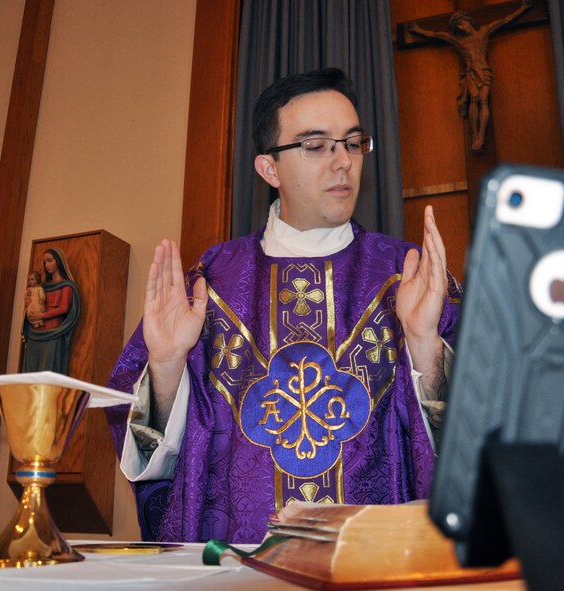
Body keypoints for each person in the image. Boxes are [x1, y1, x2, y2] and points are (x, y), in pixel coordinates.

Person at [106, 68, 462, 544]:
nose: (343, 162)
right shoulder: (209, 283)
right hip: (238, 565)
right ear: (269, 169)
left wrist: (424, 348)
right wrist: (167, 369)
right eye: (316, 146)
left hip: (375, 564)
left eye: (353, 143)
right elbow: (160, 463)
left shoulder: (409, 275)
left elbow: (476, 448)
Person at [407, 0, 531, 151]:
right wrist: (417, 29)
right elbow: (436, 35)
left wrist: (523, 8)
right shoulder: (458, 40)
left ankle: (481, 135)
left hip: (484, 71)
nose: (461, 27)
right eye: (458, 26)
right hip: (471, 72)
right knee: (474, 99)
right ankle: (474, 135)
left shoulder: (484, 32)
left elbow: (505, 20)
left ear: (469, 21)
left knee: (483, 100)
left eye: (462, 23)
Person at [22, 248, 81, 374]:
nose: (46, 265)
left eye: (50, 260)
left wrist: (42, 315)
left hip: (52, 335)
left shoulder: (66, 286)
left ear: (59, 261)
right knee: (30, 374)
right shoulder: (42, 286)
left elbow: (64, 308)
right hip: (34, 334)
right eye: (44, 262)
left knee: (46, 373)